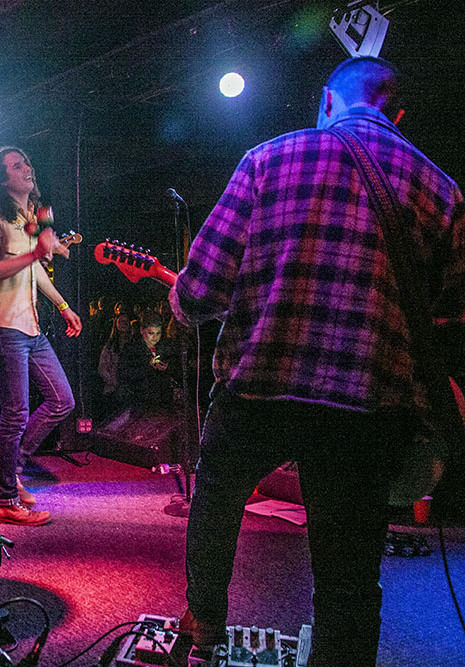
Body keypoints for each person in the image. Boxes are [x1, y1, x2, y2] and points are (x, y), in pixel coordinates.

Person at [169, 57, 464, 666]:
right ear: (397, 113)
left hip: (260, 387)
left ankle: (205, 623)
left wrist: (182, 298)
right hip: (369, 403)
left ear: (327, 100)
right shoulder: (442, 192)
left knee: (217, 493)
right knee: (351, 576)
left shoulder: (268, 158)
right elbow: (447, 317)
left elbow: (199, 293)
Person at [0, 146, 81, 526]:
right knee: (16, 412)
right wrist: (36, 252)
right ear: (2, 180)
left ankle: (7, 467)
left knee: (62, 400)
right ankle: (4, 501)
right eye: (17, 165)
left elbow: (34, 270)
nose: (27, 168)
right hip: (4, 326)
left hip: (31, 327)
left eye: (26, 162)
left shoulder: (28, 217)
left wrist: (63, 305)